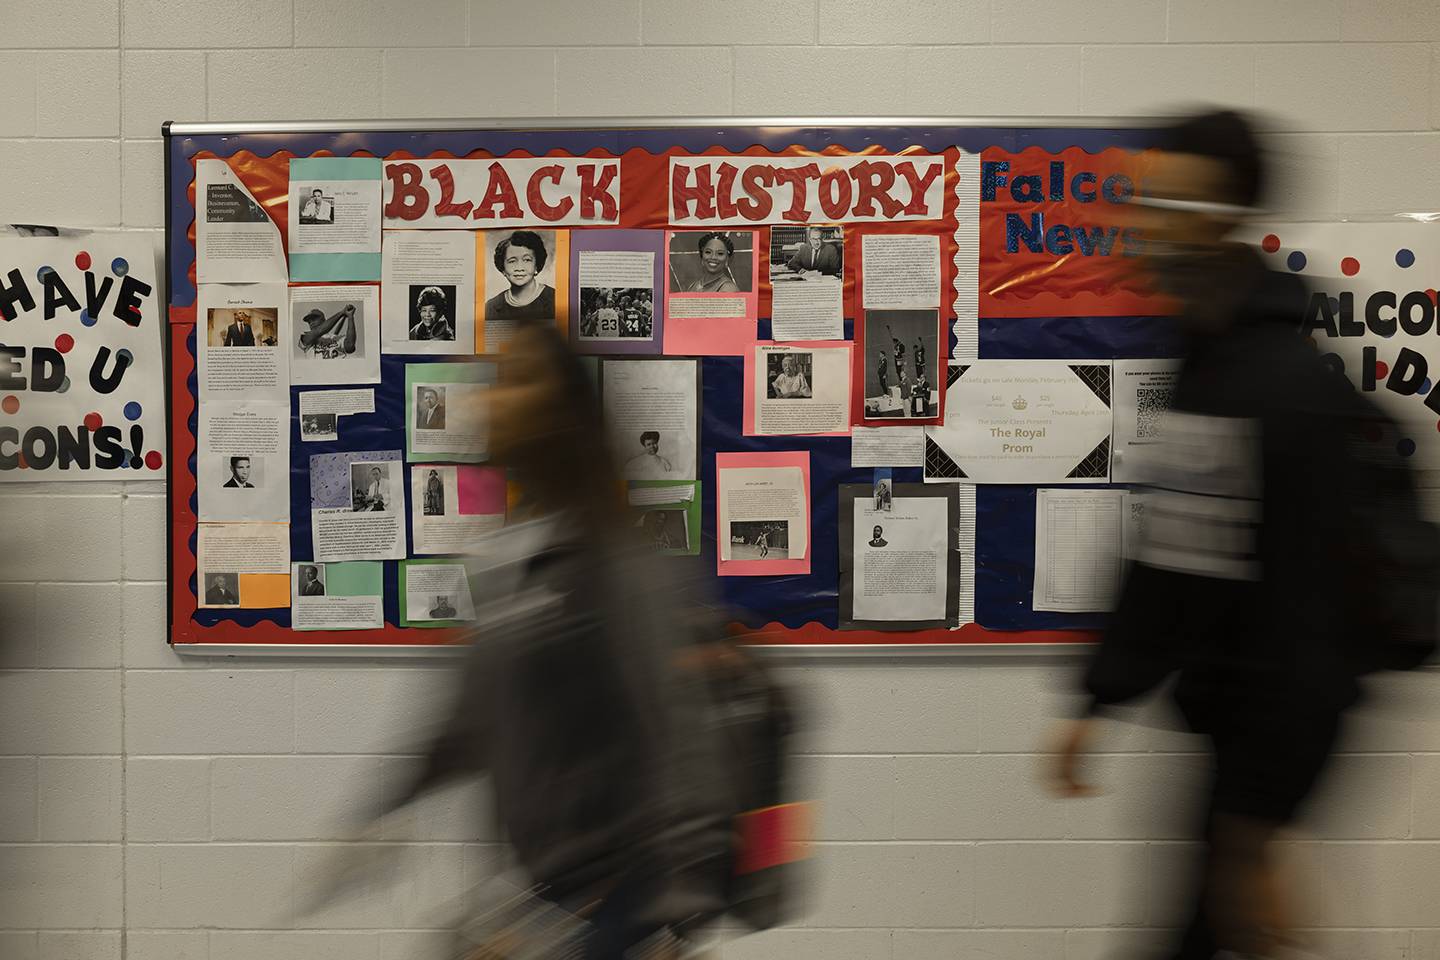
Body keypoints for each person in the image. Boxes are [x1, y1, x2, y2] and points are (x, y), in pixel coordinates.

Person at [1047, 109, 1439, 960]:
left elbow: (1244, 601)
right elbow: (1178, 560)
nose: (1138, 225)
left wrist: (1257, 822)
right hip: (1244, 727)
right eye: (1139, 200)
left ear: (1218, 220)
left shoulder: (1263, 387)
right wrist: (1103, 697)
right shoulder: (1217, 363)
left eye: (1163, 204)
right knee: (1208, 919)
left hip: (1274, 731)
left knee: (1231, 915)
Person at [365, 321, 732, 958]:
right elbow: (473, 716)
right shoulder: (512, 559)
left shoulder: (625, 567)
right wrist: (388, 807)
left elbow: (683, 731)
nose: (488, 398)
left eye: (515, 381)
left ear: (563, 413)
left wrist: (673, 910)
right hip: (549, 895)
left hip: (620, 907)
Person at [486, 230, 557, 322]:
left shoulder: (555, 299)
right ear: (503, 268)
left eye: (527, 260)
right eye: (512, 261)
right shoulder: (491, 307)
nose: (519, 268)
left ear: (536, 265)